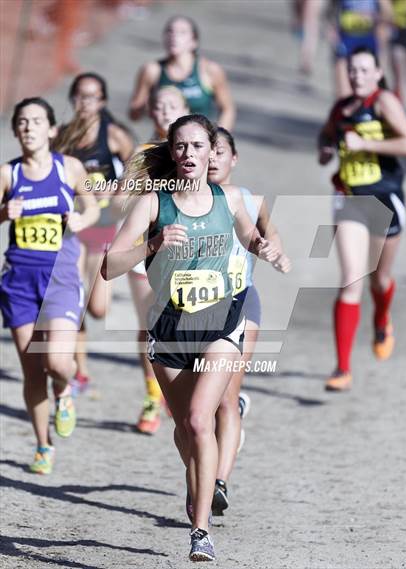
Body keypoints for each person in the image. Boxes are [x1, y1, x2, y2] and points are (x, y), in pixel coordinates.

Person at [102, 114, 285, 561]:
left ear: (211, 153)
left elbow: (249, 235)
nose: (189, 155)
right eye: (181, 147)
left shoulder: (229, 198)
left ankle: (200, 531)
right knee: (185, 428)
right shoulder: (153, 203)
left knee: (202, 420)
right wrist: (152, 244)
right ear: (172, 152)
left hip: (220, 325)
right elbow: (109, 267)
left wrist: (264, 246)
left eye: (198, 146)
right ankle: (200, 482)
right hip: (169, 329)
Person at [0, 97, 99, 474]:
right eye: (22, 122)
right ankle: (43, 445)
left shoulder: (69, 167)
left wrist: (80, 220)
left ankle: (65, 389)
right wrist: (2, 213)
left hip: (59, 278)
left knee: (57, 361)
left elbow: (93, 206)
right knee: (31, 371)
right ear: (15, 131)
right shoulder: (7, 175)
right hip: (19, 282)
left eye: (36, 121)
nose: (29, 127)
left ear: (52, 129)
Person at [318, 47, 406, 391]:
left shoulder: (384, 101)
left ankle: (381, 318)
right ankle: (342, 368)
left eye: (364, 70)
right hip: (349, 198)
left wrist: (363, 143)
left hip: (385, 198)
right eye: (352, 71)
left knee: (380, 278)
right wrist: (326, 149)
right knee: (351, 279)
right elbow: (326, 135)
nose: (357, 76)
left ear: (377, 73)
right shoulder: (340, 108)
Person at [207, 127, 291, 517]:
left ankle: (218, 483)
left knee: (223, 399)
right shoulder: (182, 200)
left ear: (233, 158)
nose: (211, 159)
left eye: (219, 151)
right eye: (208, 151)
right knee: (198, 408)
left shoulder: (250, 200)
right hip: (193, 309)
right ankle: (232, 415)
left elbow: (268, 240)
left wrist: (273, 252)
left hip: (241, 304)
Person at [55, 72, 134, 392]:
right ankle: (80, 370)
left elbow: (138, 173)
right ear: (72, 98)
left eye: (92, 97)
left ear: (102, 102)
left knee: (98, 308)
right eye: (80, 96)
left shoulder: (114, 136)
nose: (85, 102)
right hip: (72, 229)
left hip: (102, 228)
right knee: (72, 299)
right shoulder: (60, 137)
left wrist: (116, 192)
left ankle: (80, 366)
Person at [128, 85, 189, 434]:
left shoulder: (199, 148)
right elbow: (125, 197)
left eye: (172, 105)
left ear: (184, 108)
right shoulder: (143, 152)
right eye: (159, 106)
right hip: (146, 248)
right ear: (151, 113)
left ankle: (182, 387)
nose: (165, 111)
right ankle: (153, 395)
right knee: (149, 323)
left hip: (187, 250)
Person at [128, 15, 236, 129]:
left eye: (182, 32)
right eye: (170, 31)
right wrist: (148, 107)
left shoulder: (209, 70)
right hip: (165, 142)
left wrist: (219, 138)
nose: (174, 36)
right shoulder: (152, 70)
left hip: (200, 142)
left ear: (194, 42)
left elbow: (228, 109)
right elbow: (133, 115)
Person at [328, 0, 393, 97]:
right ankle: (345, 106)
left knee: (370, 85)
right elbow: (331, 9)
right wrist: (332, 28)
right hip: (345, 37)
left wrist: (374, 17)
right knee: (343, 86)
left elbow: (388, 14)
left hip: (368, 37)